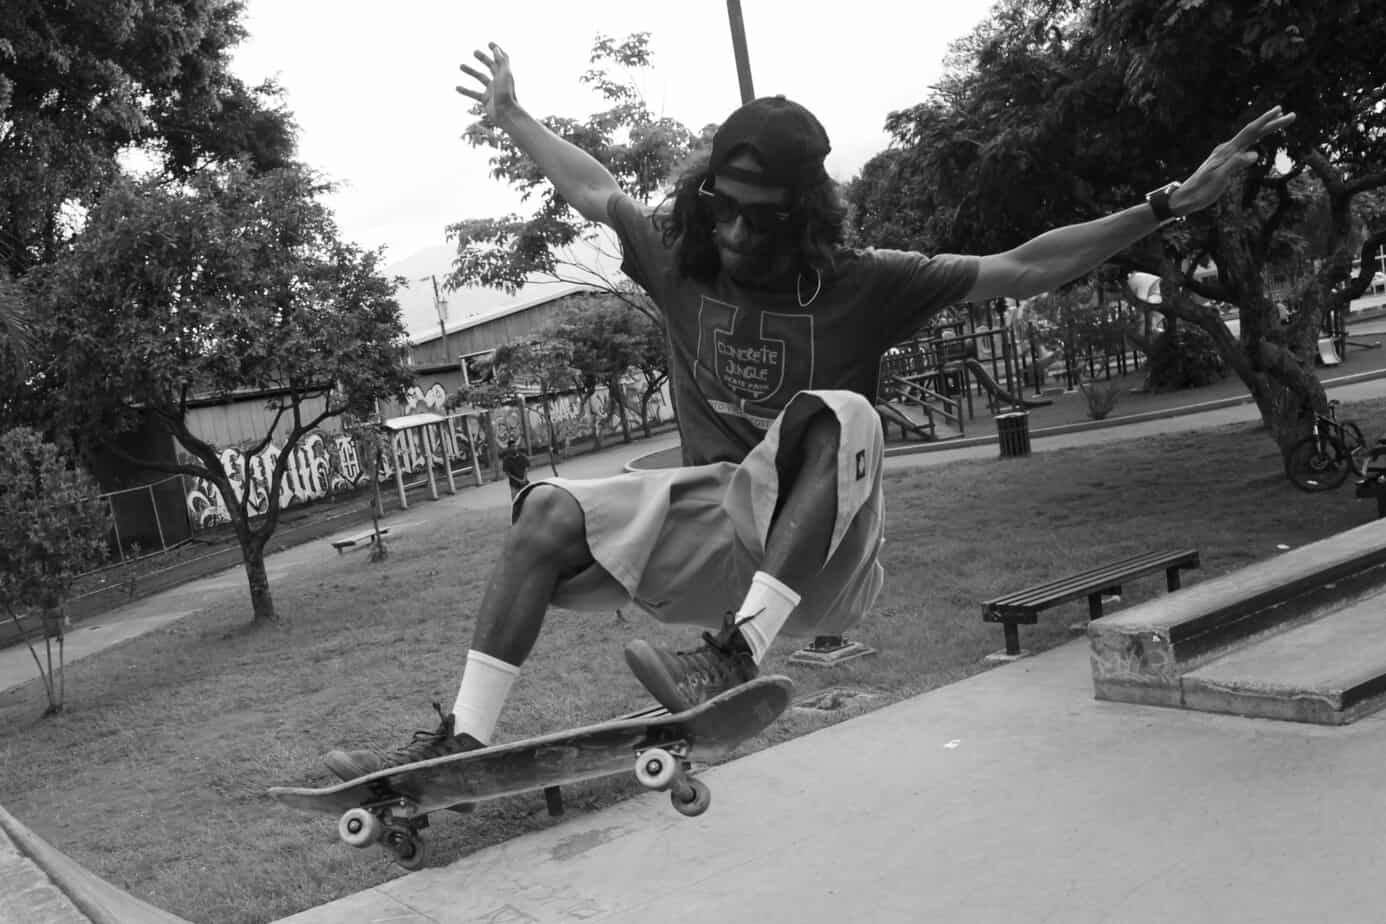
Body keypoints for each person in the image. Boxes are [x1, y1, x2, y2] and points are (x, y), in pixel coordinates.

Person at [320, 41, 1294, 779]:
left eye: (763, 219)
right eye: (724, 211)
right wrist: (514, 119)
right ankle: (463, 744)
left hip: (827, 550)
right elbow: (599, 191)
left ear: (805, 215)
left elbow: (1025, 264)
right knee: (542, 512)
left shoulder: (868, 284)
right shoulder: (680, 259)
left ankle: (735, 658)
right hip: (711, 523)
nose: (738, 235)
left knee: (839, 412)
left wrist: (1170, 204)